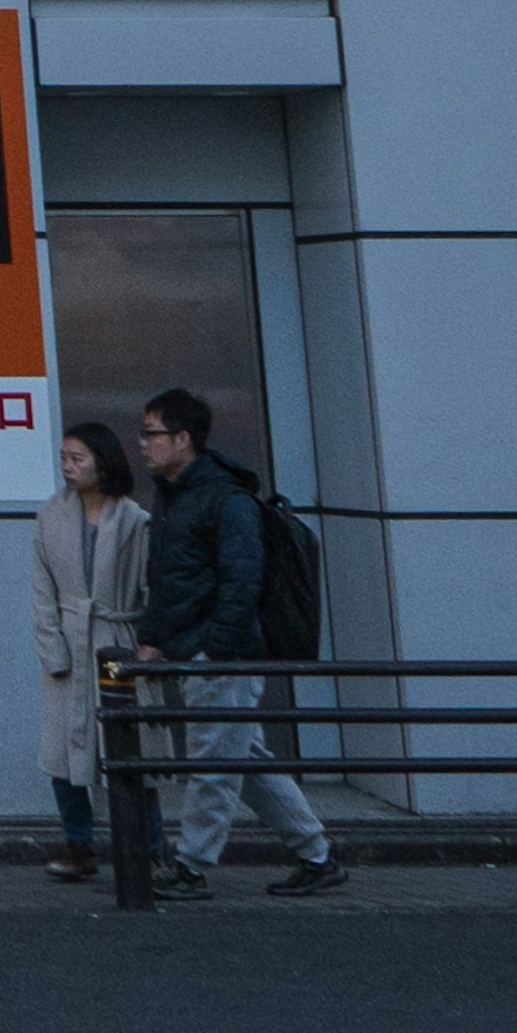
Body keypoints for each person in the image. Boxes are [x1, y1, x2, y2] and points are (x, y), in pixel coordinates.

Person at [137, 386, 342, 900]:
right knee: (244, 758)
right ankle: (316, 855)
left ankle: (191, 866)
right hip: (198, 651)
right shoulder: (176, 496)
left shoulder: (226, 501)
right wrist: (155, 638)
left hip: (221, 656)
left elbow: (242, 582)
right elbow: (169, 579)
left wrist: (214, 649)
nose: (142, 443)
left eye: (151, 433)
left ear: (182, 440)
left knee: (213, 765)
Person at [33, 415, 154, 880]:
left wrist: (148, 645)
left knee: (132, 754)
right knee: (62, 753)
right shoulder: (50, 517)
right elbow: (41, 593)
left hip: (117, 642)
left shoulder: (134, 520)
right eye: (64, 457)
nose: (67, 466)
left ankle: (150, 846)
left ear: (102, 463)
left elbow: (149, 589)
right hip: (70, 640)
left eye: (77, 458)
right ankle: (78, 845)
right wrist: (53, 651)